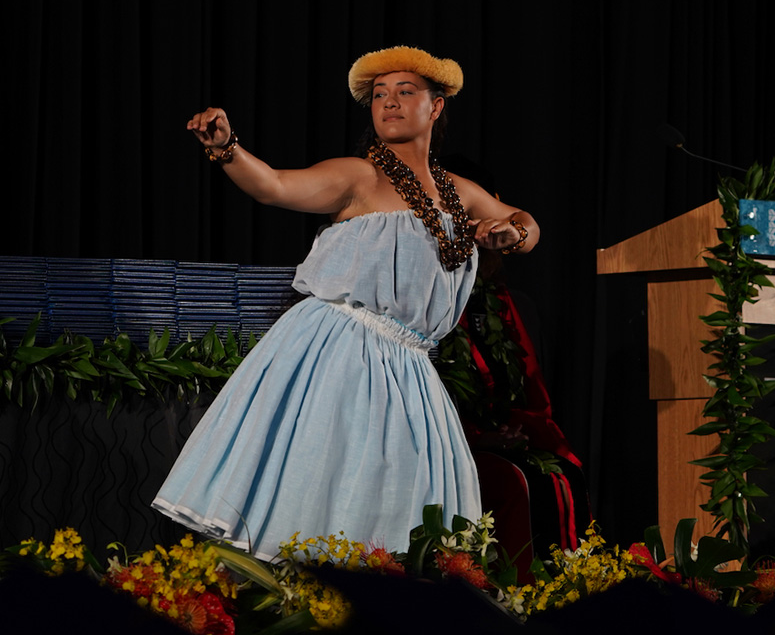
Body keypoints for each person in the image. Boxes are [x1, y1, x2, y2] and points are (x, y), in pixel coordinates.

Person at [152, 46, 539, 560]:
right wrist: (228, 148)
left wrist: (508, 233)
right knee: (325, 481)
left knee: (402, 500)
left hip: (410, 365)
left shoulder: (460, 193)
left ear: (437, 106)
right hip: (340, 350)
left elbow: (526, 224)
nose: (390, 103)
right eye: (380, 95)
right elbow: (273, 186)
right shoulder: (358, 177)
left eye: (405, 92)